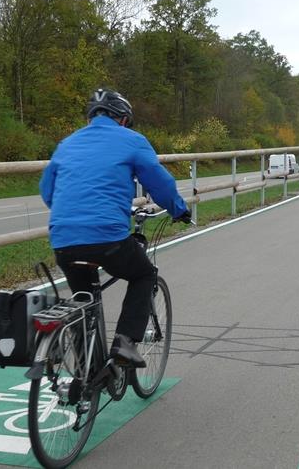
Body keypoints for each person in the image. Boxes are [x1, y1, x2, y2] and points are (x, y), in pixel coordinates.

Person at [40, 88, 191, 368]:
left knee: (83, 299)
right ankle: (125, 341)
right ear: (122, 119)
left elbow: (47, 190)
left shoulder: (67, 143)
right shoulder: (132, 140)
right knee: (144, 274)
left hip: (63, 238)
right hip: (106, 237)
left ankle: (86, 375)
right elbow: (160, 184)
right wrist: (179, 209)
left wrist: (72, 216)